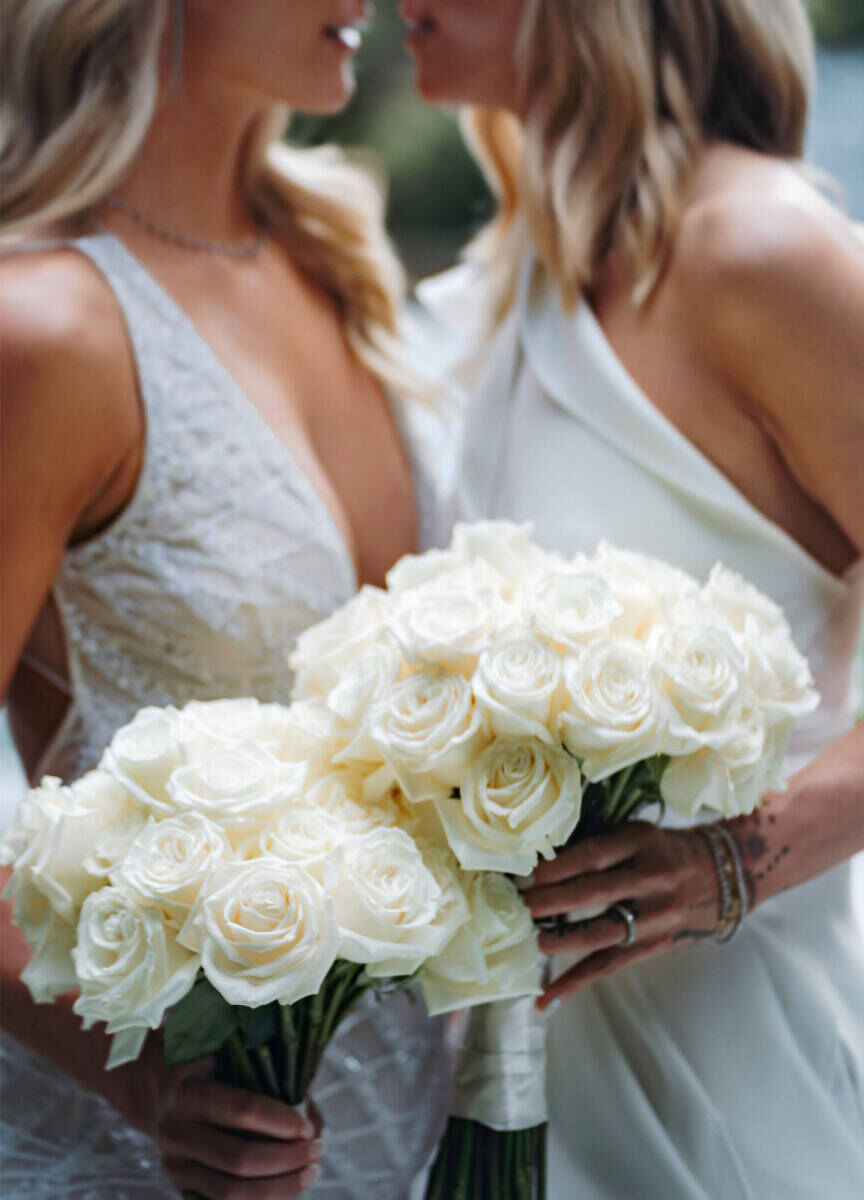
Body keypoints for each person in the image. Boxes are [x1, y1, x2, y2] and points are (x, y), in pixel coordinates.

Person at [405, 0, 864, 1195]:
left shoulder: (759, 250)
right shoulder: (527, 273)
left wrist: (734, 861)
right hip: (522, 1061)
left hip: (733, 1049)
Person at [0, 2, 450, 1196]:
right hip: (159, 1151)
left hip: (408, 1126)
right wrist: (145, 1086)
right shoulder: (45, 328)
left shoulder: (332, 257)